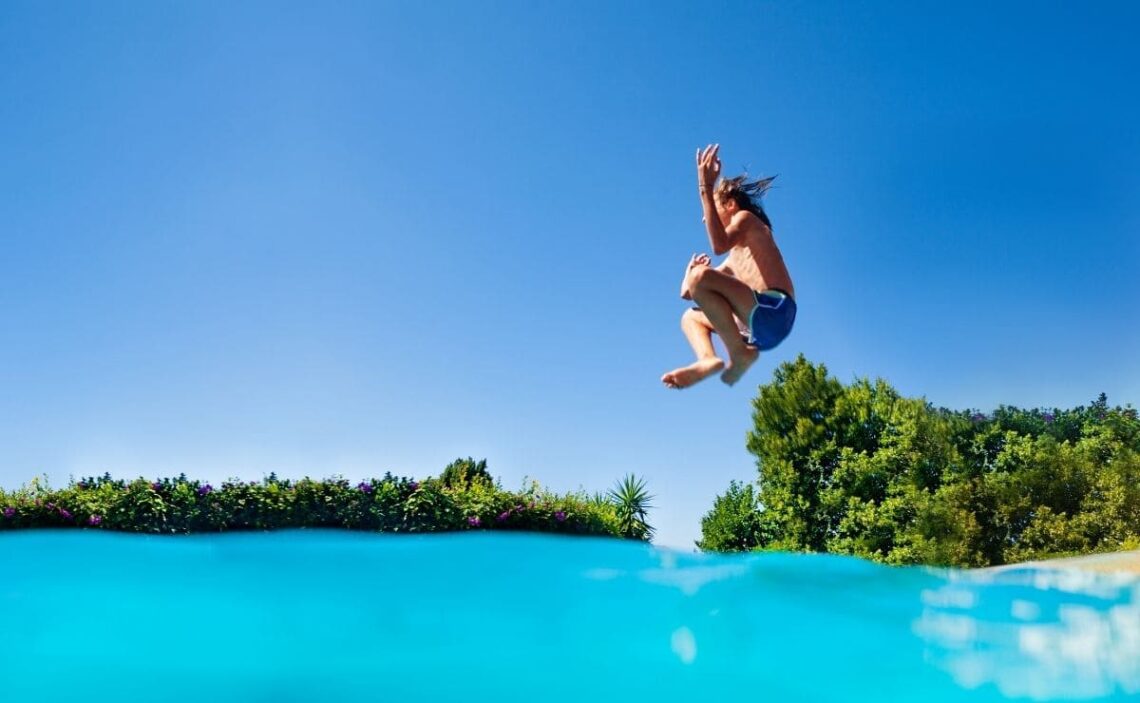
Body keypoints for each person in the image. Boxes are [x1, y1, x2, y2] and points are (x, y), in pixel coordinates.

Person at [661, 144, 796, 389]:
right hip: (758, 332)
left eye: (712, 206)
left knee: (701, 277)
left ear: (731, 205)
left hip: (776, 309)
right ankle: (708, 359)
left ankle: (737, 352)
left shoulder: (747, 220)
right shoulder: (733, 261)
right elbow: (688, 293)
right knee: (690, 317)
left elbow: (719, 244)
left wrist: (705, 188)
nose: (705, 217)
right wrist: (688, 272)